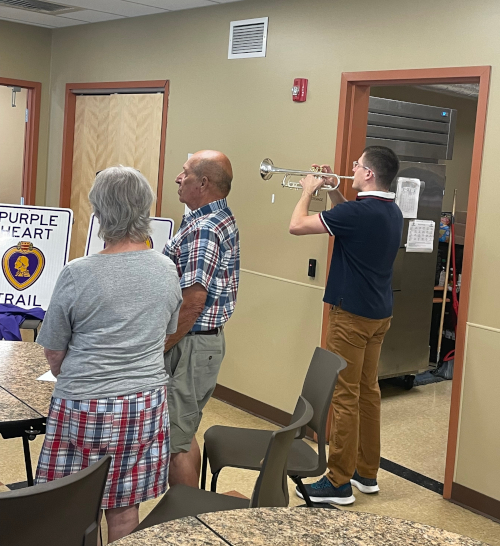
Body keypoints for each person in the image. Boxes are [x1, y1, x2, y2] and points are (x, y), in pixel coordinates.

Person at [35, 166, 182, 542]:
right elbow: (167, 331)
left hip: (86, 404)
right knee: (125, 504)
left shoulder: (77, 273)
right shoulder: (167, 269)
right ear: (145, 209)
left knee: (73, 505)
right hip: (146, 403)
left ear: (98, 213)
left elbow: (54, 350)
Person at [289, 146, 403, 505]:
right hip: (378, 313)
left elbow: (296, 226)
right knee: (368, 392)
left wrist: (309, 190)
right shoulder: (390, 209)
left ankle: (338, 480)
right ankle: (365, 472)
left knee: (345, 395)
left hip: (350, 316)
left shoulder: (359, 212)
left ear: (369, 174)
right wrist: (333, 190)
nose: (351, 169)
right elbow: (347, 215)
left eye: (357, 165)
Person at [163, 150, 240, 488]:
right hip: (199, 343)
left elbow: (193, 302)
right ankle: (192, 511)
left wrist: (159, 346)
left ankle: (185, 525)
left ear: (203, 183)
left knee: (173, 444)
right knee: (183, 430)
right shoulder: (211, 217)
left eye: (185, 173)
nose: (178, 178)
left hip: (191, 345)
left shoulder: (204, 228)